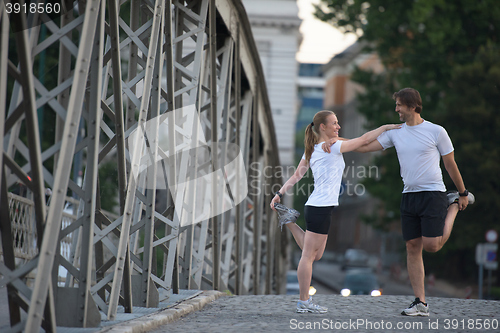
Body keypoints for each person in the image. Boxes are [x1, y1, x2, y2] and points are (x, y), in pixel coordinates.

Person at [324, 88, 474, 317]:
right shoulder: (396, 132)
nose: (396, 109)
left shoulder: (436, 131)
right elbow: (363, 146)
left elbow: (450, 164)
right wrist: (336, 141)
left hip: (433, 193)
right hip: (409, 195)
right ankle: (420, 303)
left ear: (413, 106)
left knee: (432, 246)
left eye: (399, 105)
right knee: (412, 247)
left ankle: (452, 205)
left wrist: (462, 193)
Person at [270, 110, 400, 313]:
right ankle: (304, 302)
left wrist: (279, 192)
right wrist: (385, 128)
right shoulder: (334, 147)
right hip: (319, 208)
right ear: (323, 126)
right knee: (308, 256)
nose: (338, 126)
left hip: (319, 207)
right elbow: (364, 140)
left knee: (317, 254)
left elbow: (297, 175)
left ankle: (289, 221)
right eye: (334, 123)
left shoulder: (312, 149)